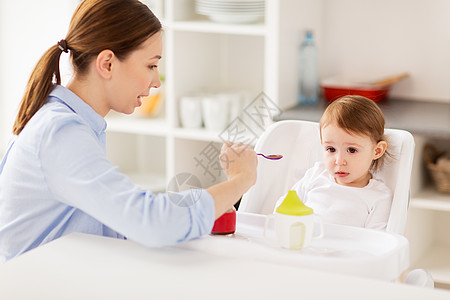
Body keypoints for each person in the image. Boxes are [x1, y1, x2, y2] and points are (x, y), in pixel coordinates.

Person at [0, 0, 257, 263]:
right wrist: (241, 180)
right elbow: (155, 224)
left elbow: (121, 217)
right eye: (151, 65)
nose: (156, 82)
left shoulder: (72, 123)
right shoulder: (60, 133)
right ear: (108, 64)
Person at [275, 95, 391, 230]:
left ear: (376, 151)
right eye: (331, 149)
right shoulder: (316, 175)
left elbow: (377, 242)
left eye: (352, 150)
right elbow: (284, 207)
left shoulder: (379, 197)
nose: (339, 161)